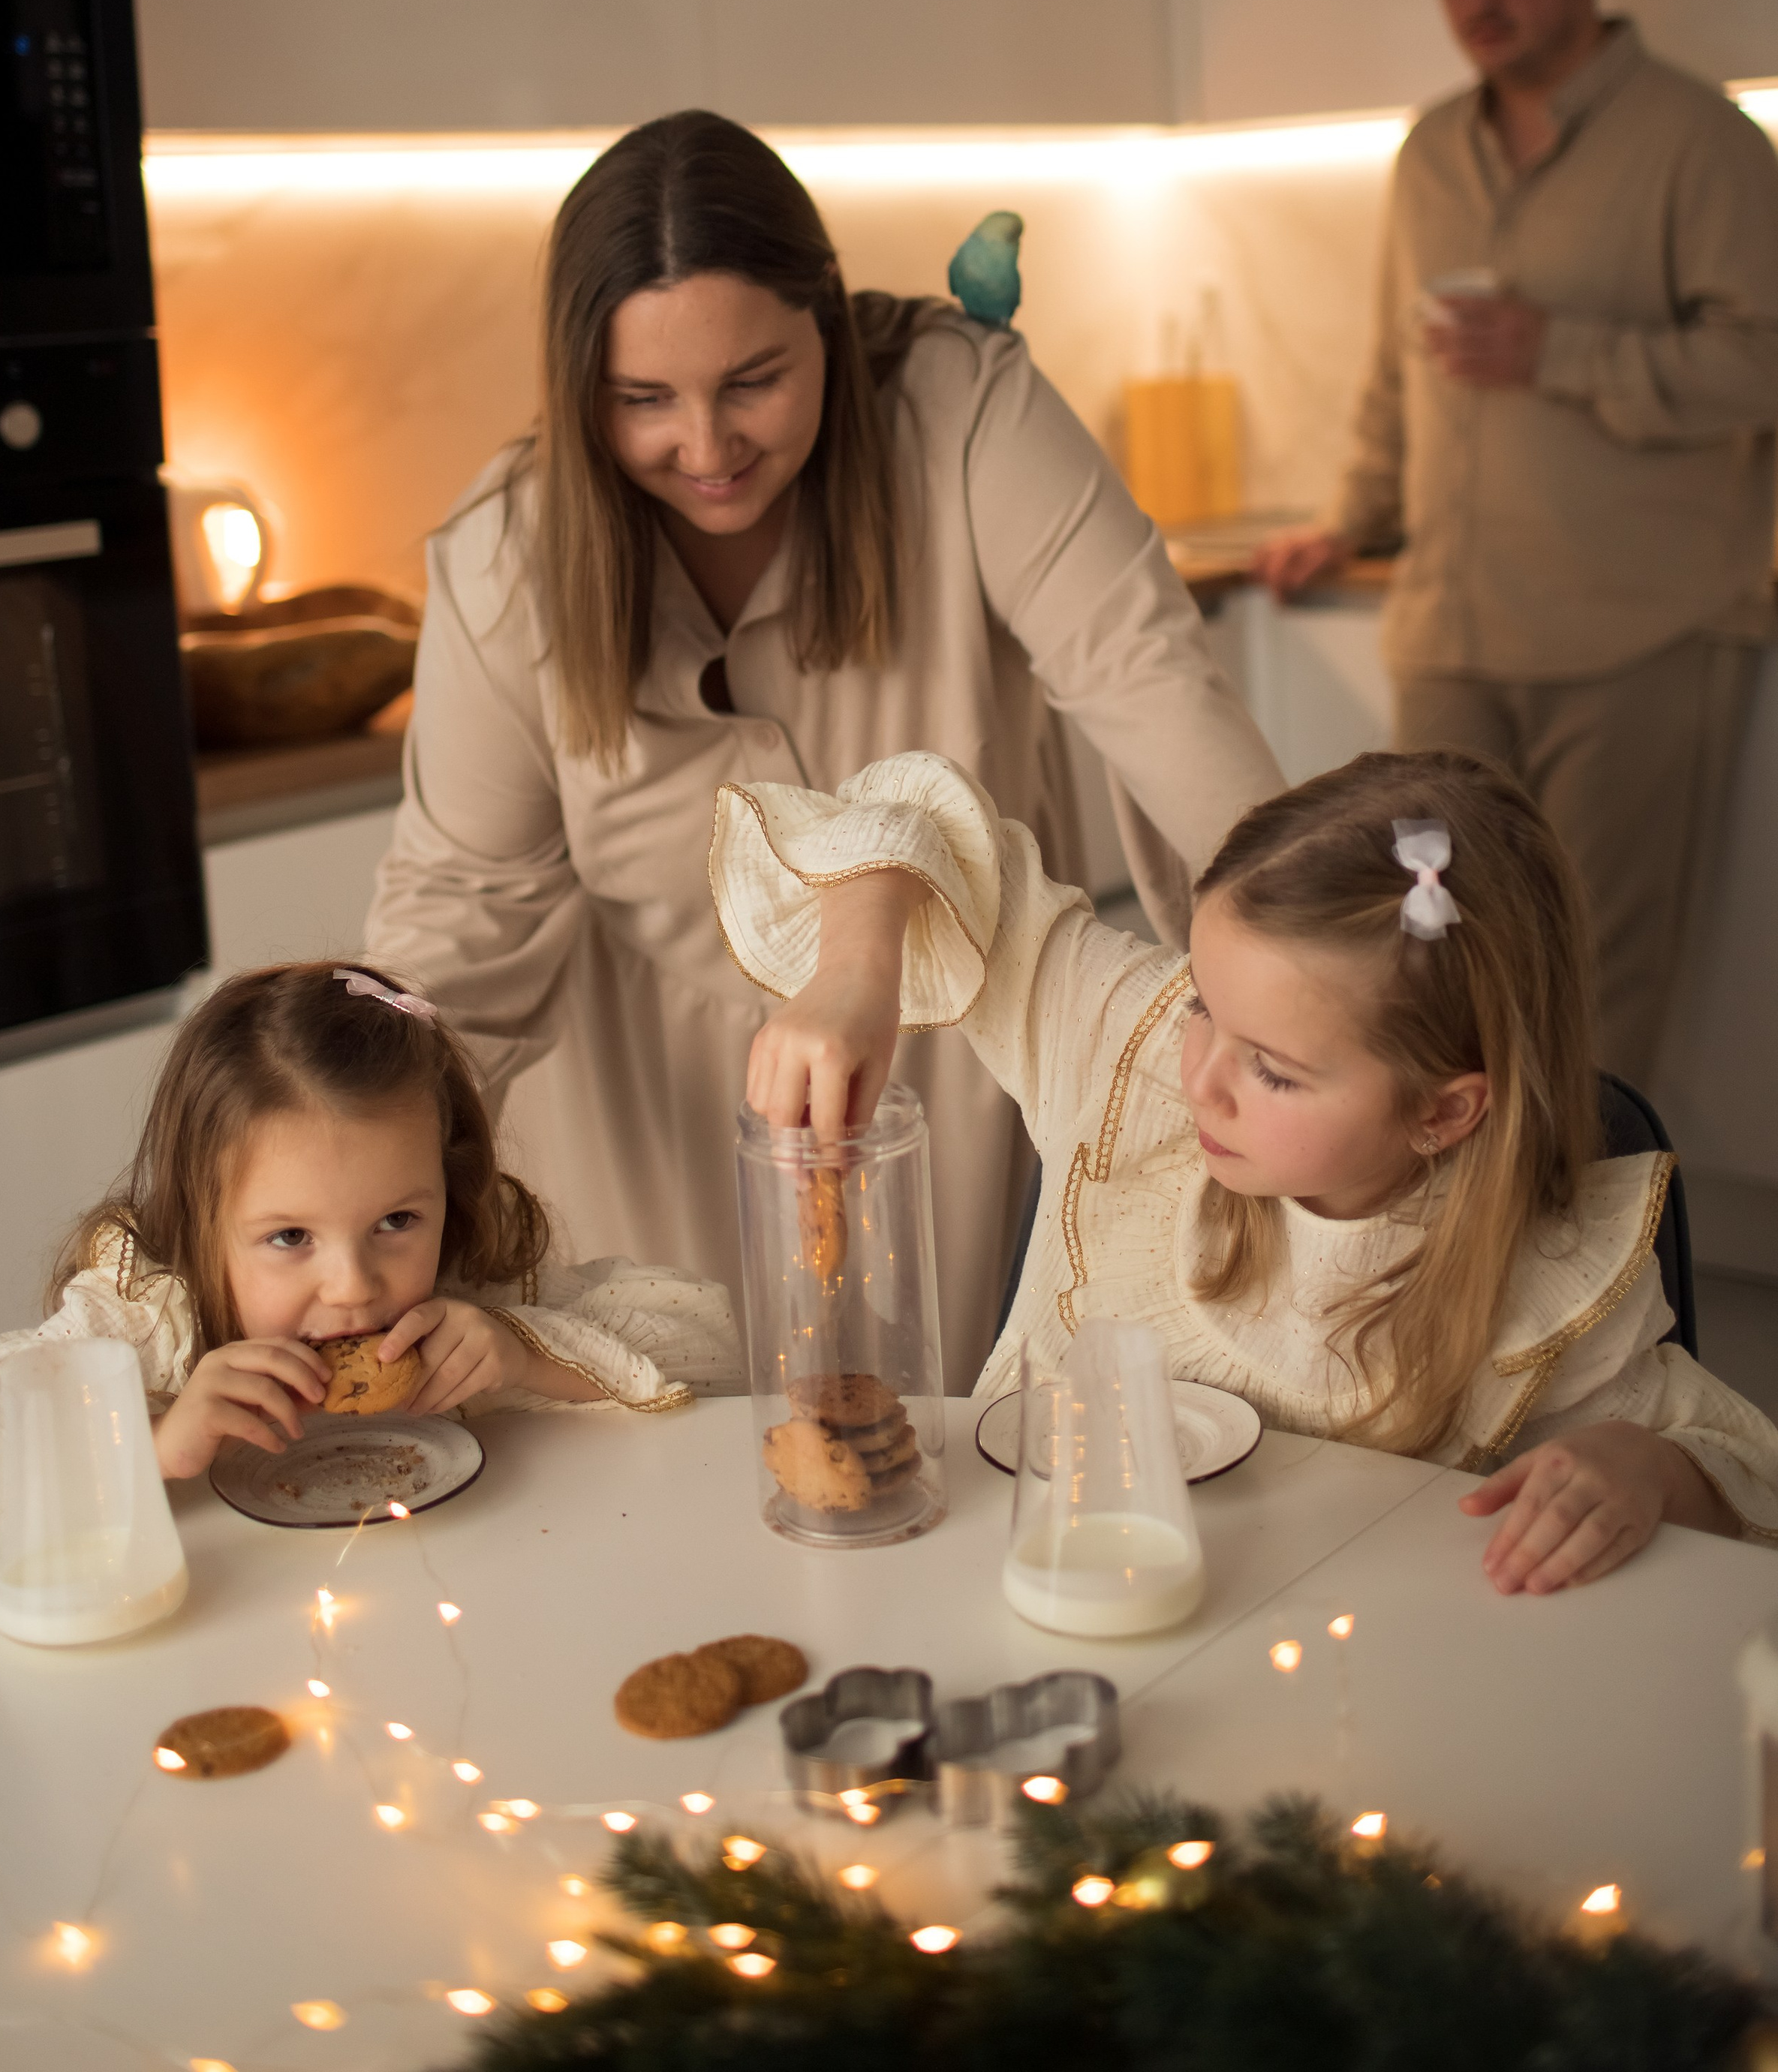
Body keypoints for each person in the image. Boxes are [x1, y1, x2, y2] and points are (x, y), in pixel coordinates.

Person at [366, 112, 1283, 1388]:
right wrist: (344, 1160)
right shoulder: (501, 560)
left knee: (930, 1471)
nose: (707, 447)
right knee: (675, 1464)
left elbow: (1155, 687)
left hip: (939, 1098)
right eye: (643, 401)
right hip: (643, 1134)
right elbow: (455, 919)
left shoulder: (964, 417)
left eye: (754, 381)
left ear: (830, 324)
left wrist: (1319, 988)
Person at [718, 746, 1778, 1586]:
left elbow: (1742, 1476)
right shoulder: (1119, 1046)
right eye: (1200, 1008)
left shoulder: (1545, 1283)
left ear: (1443, 1113)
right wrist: (857, 971)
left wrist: (1652, 1469)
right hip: (1015, 1608)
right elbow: (904, 807)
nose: (1201, 1081)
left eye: (1272, 1071)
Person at [1256, 0, 1778, 1089]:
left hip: (1638, 638)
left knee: (1593, 995)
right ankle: (1474, 1278)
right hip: (1451, 640)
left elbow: (1763, 361)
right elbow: (1400, 365)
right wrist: (1350, 514)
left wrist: (1562, 351)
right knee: (1436, 986)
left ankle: (1594, 1279)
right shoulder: (1429, 151)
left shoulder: (1698, 142)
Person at [0, 961, 741, 1551]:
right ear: (201, 1220)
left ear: (448, 1183)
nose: (354, 1288)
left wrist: (524, 1352)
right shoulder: (151, 1326)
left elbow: (716, 1334)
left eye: (397, 1219)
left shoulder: (472, 1287)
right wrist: (152, 1442)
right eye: (289, 1239)